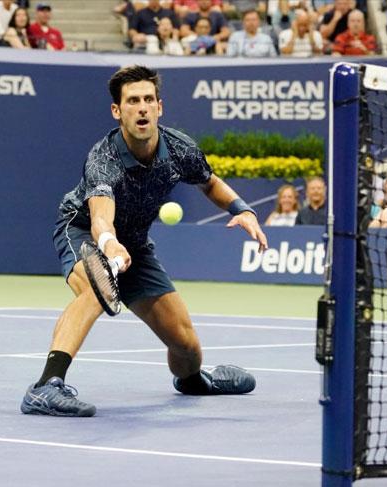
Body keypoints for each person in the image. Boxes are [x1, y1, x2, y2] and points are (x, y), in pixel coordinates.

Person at [20, 65, 268, 417]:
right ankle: (46, 387)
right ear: (117, 111)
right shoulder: (103, 158)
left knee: (186, 345)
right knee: (95, 287)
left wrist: (241, 209)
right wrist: (108, 244)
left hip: (134, 244)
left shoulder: (179, 148)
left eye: (148, 99)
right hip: (83, 230)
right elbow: (101, 215)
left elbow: (209, 181)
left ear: (159, 107)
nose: (142, 108)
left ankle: (194, 381)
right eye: (132, 101)